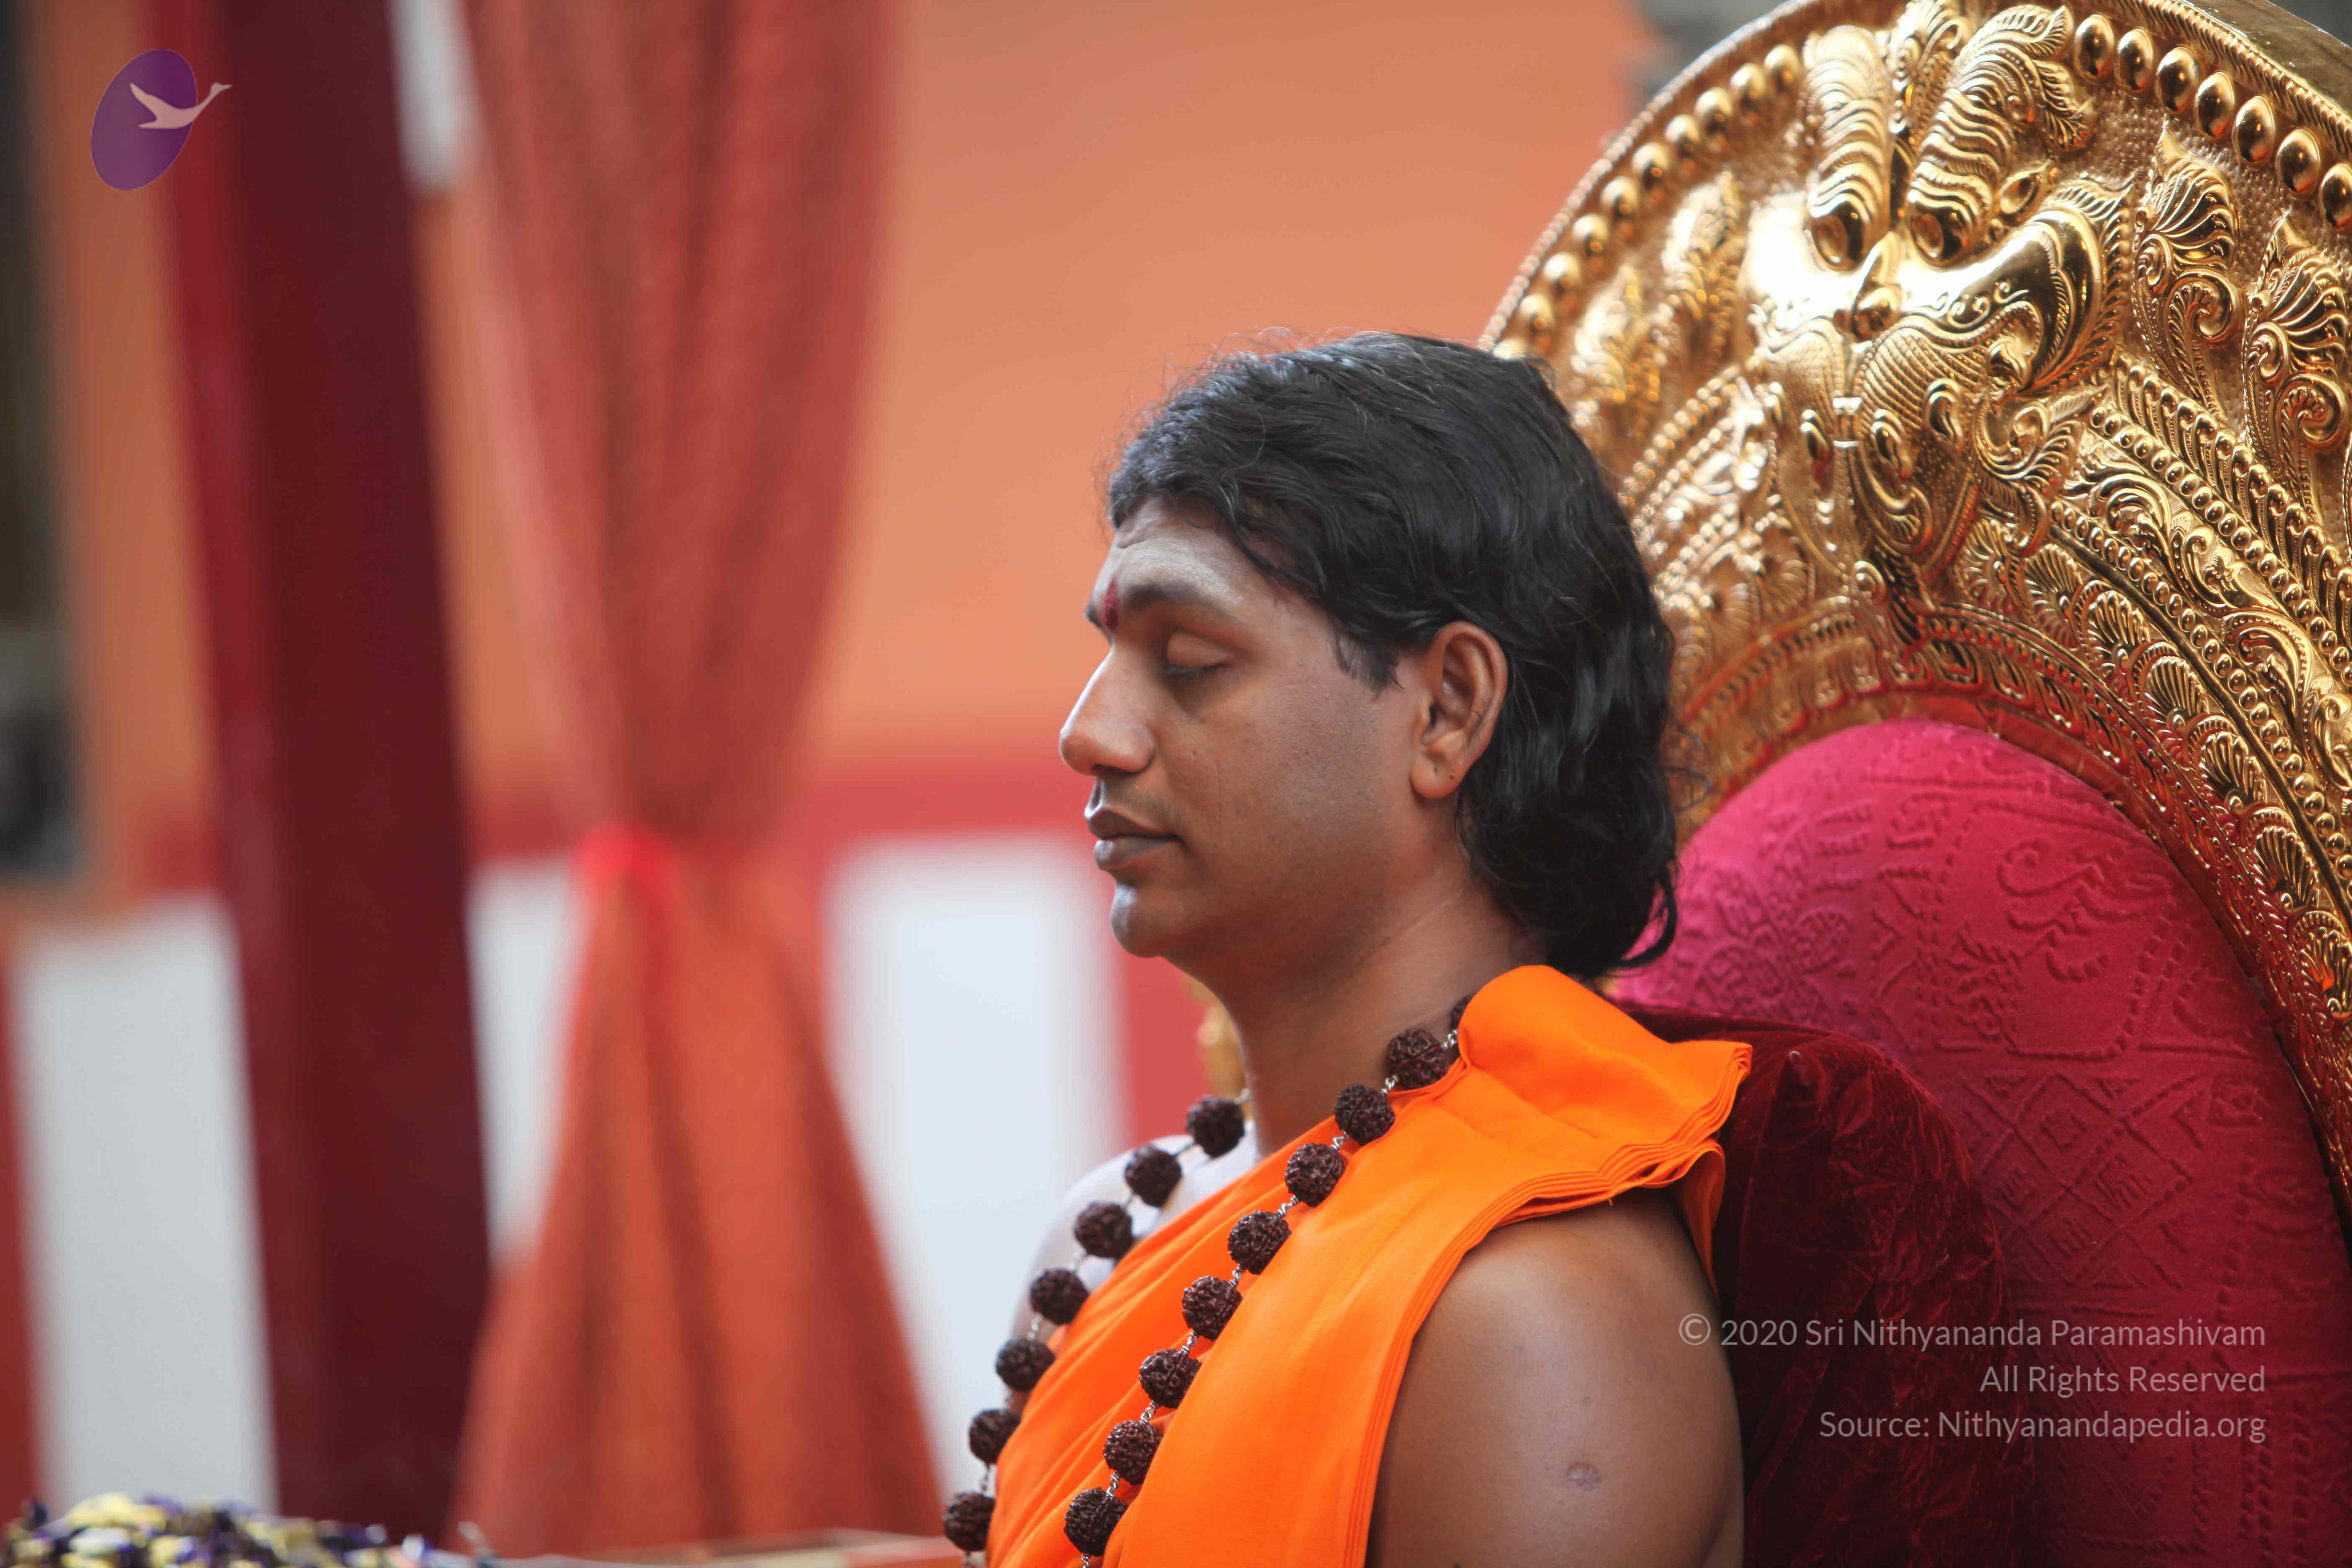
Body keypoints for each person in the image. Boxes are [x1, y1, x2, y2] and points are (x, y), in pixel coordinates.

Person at [953, 332, 1748, 1566]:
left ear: (1447, 712)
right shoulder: (1105, 1231)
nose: (1090, 733)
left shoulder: (1527, 1316)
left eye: (1190, 665)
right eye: (1108, 655)